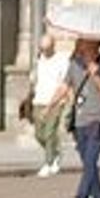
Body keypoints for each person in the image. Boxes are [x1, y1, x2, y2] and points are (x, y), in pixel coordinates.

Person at [53, 37, 100, 198]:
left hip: (99, 120)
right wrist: (51, 107)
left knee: (90, 160)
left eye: (84, 43)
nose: (80, 45)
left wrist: (95, 74)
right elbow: (65, 87)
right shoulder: (74, 64)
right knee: (89, 165)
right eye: (80, 42)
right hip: (80, 121)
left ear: (96, 45)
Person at [29, 35, 68, 177]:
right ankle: (56, 152)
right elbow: (33, 79)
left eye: (47, 48)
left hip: (56, 101)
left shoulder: (61, 60)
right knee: (39, 134)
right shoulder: (39, 60)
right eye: (42, 48)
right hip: (39, 100)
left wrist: (54, 102)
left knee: (49, 132)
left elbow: (64, 83)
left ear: (53, 46)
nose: (44, 51)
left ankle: (48, 163)